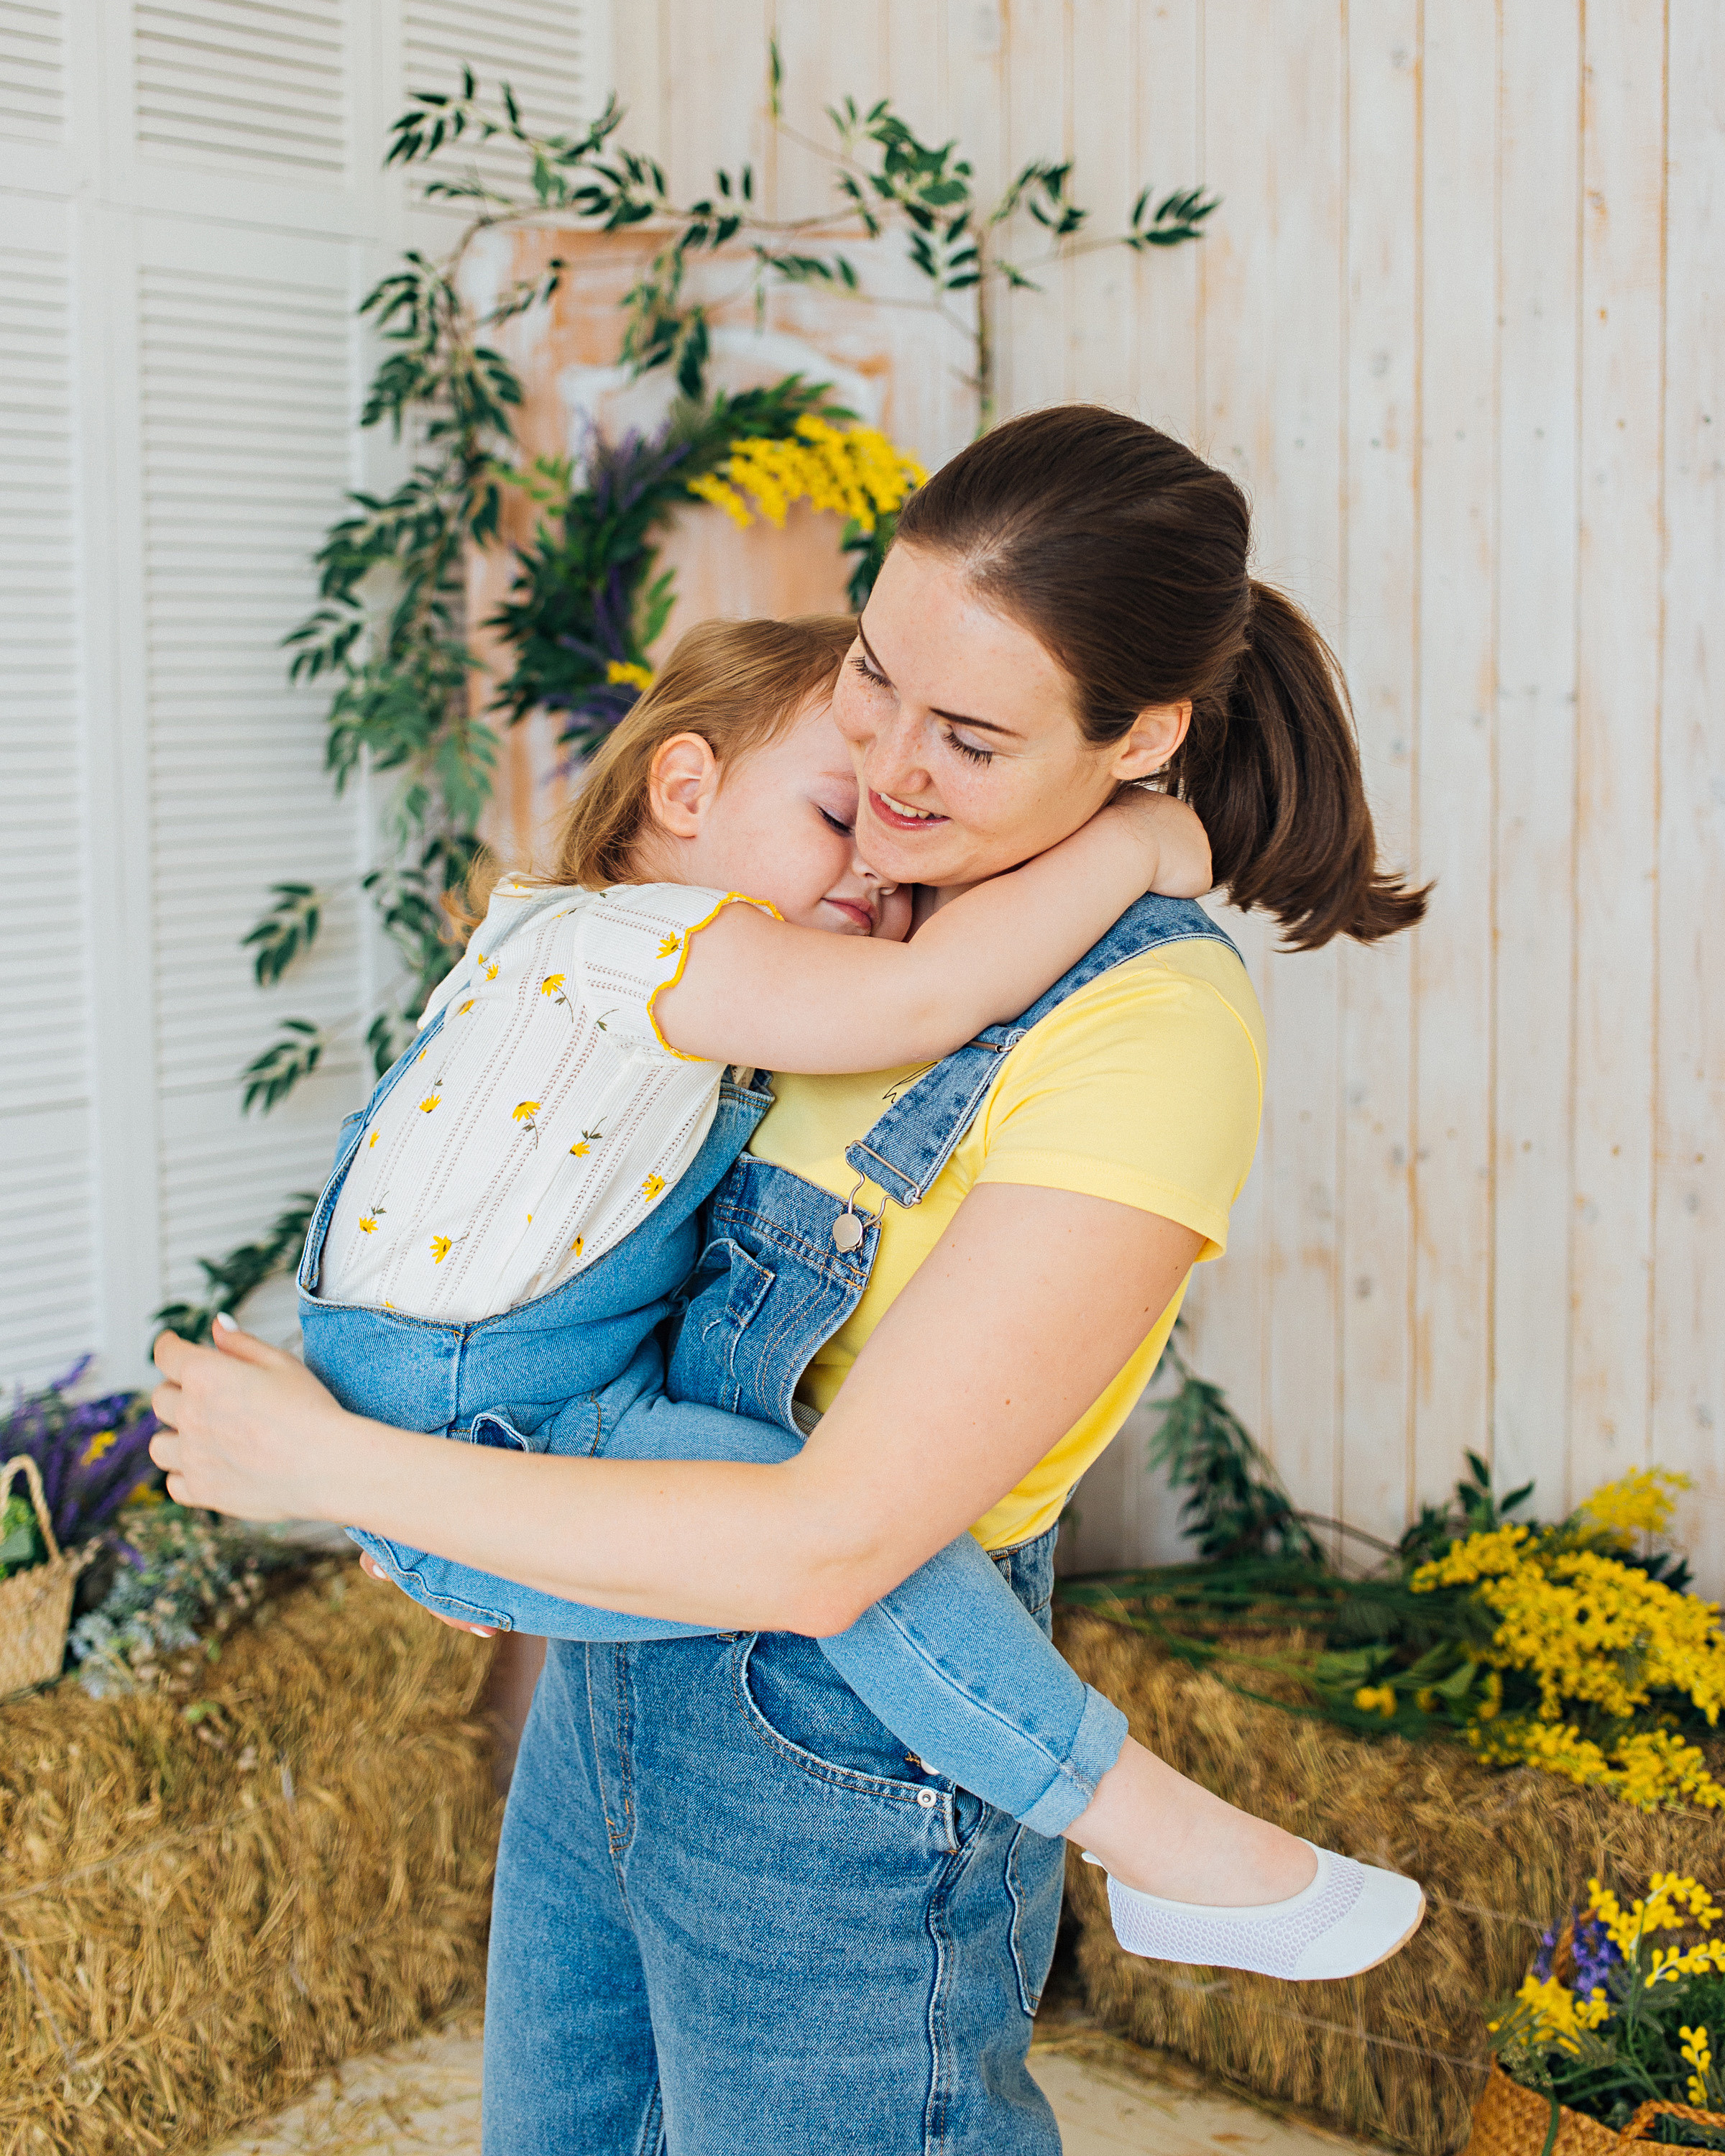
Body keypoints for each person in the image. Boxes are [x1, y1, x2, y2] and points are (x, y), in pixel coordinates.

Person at [152, 408, 1429, 2156]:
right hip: (606, 1703)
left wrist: (330, 1468)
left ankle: (1152, 1829)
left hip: (841, 1763)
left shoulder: (1142, 1019)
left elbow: (832, 1537)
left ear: (1141, 740)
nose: (893, 772)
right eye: (875, 681)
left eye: (969, 739)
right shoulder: (816, 915)